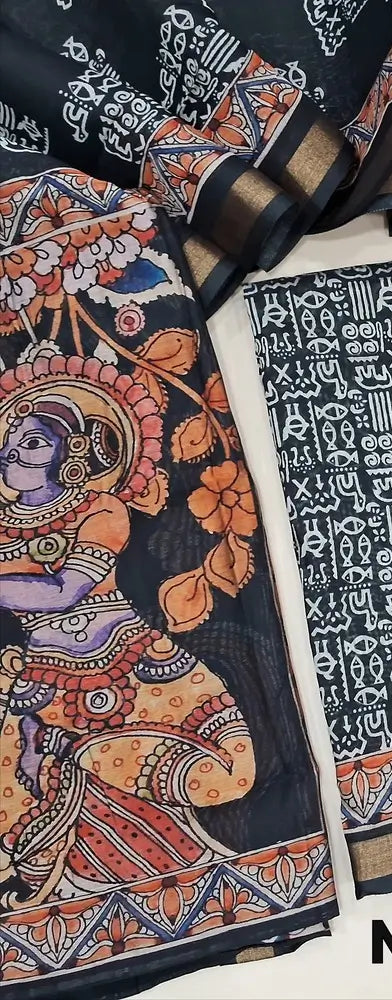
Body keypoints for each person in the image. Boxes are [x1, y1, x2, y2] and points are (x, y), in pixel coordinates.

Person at [0, 360, 254, 907]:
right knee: (16, 821)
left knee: (232, 770)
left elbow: (64, 590)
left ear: (71, 454)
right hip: (43, 685)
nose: (11, 453)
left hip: (135, 664)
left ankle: (80, 756)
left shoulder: (101, 508)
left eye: (32, 443)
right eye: (9, 443)